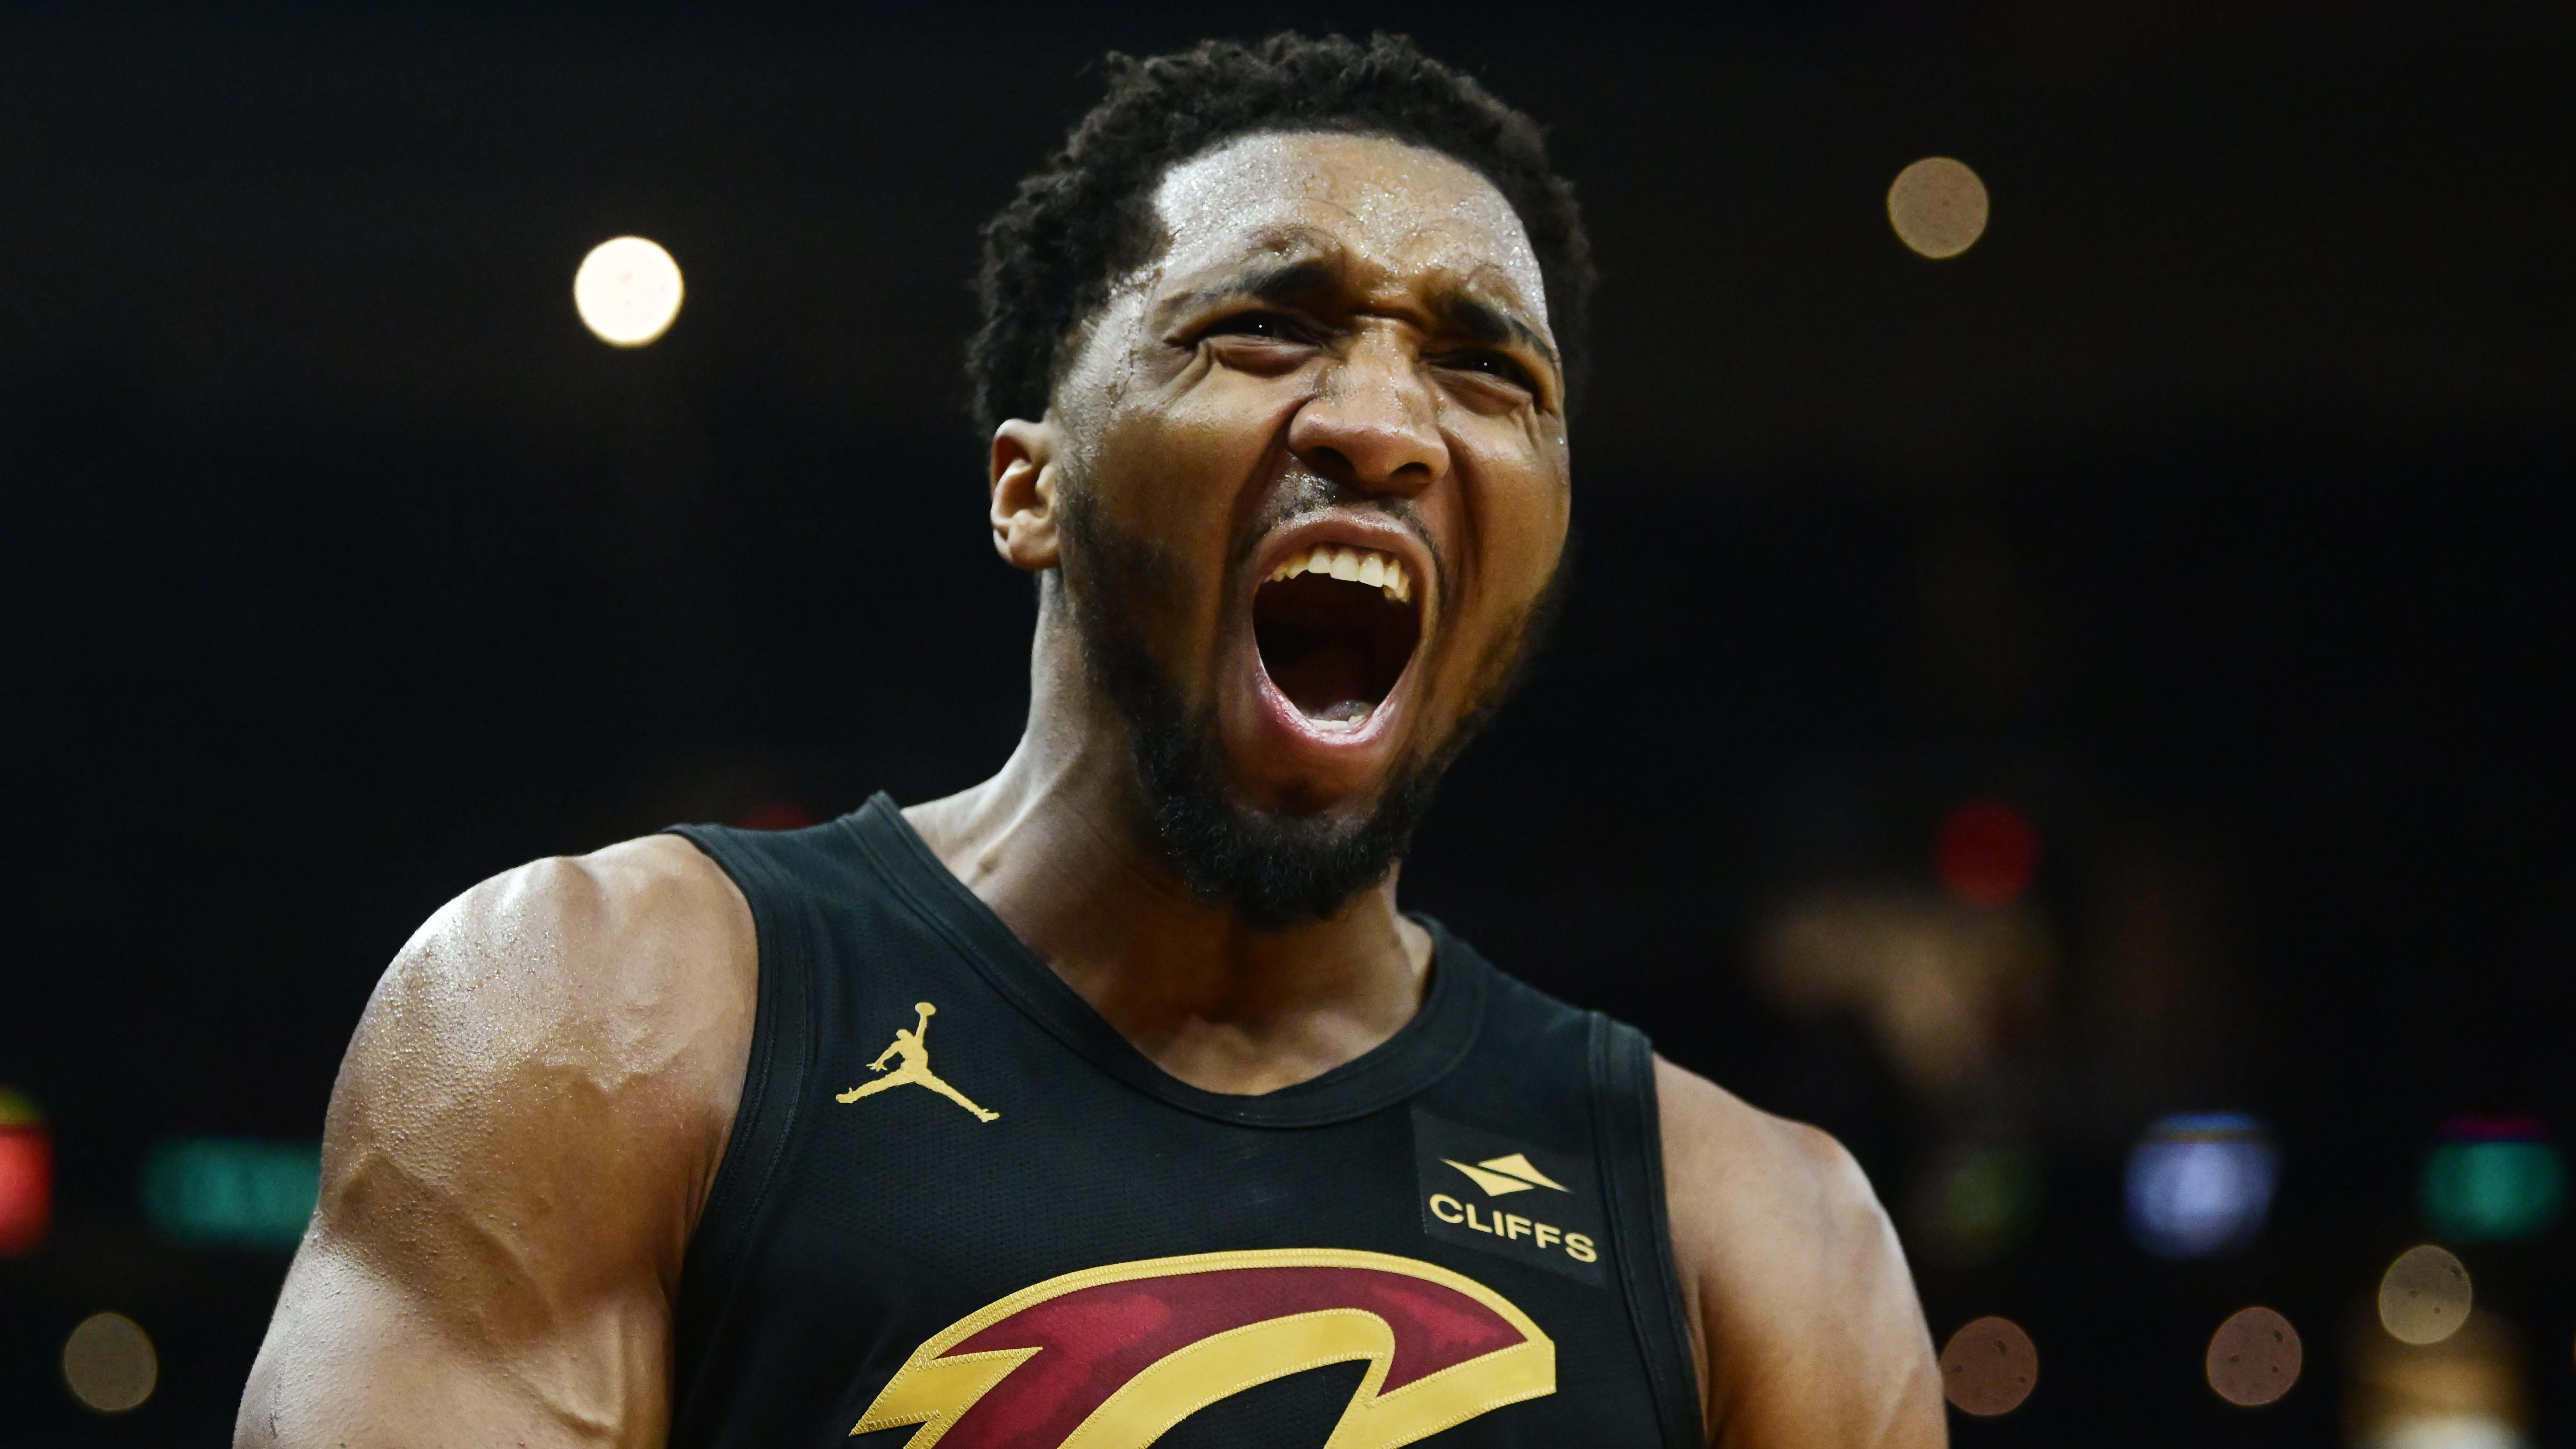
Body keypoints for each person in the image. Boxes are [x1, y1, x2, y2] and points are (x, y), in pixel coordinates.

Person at [238, 32, 1942, 1449]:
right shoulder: (601, 1012)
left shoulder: (1757, 1236)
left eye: (1487, 373)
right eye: (1265, 326)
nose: (1380, 425)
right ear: (1027, 484)